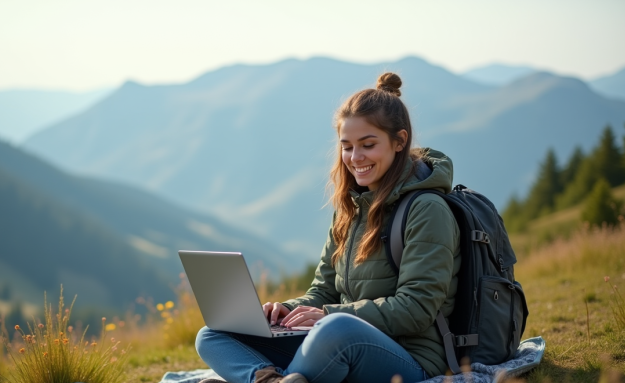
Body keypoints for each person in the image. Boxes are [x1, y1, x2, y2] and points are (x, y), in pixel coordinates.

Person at [195, 72, 461, 383]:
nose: (355, 157)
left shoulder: (427, 209)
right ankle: (269, 380)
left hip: (412, 358)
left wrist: (331, 315)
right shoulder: (350, 209)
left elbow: (416, 308)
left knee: (335, 329)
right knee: (214, 333)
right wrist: (283, 311)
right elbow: (323, 290)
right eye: (347, 146)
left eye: (368, 144)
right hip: (340, 336)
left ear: (399, 141)